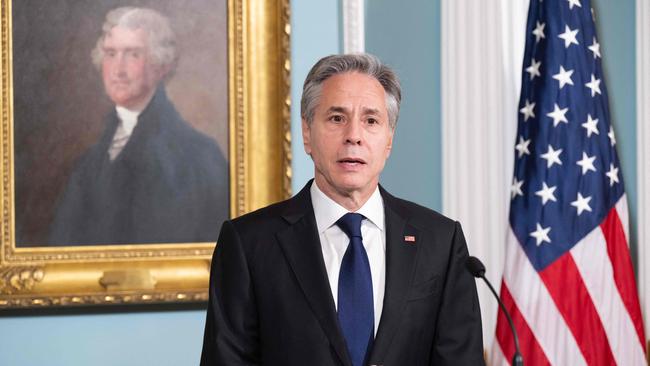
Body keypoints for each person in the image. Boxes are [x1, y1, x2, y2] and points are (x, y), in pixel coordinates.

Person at [200, 54, 484, 365]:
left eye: (371, 121)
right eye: (337, 118)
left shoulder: (440, 241)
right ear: (307, 133)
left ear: (389, 139)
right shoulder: (248, 242)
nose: (354, 136)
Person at [48, 7, 228, 245]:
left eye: (133, 54)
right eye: (110, 54)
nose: (118, 70)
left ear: (160, 64)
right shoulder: (89, 163)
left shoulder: (200, 158)